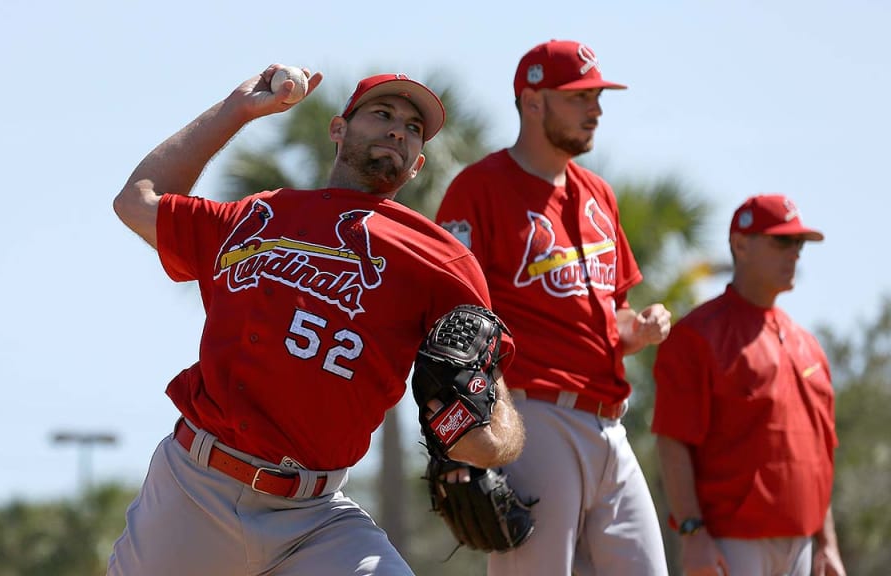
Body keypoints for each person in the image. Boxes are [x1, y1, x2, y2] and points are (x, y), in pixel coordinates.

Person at [107, 65, 526, 576]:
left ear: (416, 165)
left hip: (315, 517)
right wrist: (237, 109)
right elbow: (136, 201)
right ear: (338, 129)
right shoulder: (257, 216)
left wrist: (493, 440)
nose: (398, 129)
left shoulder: (441, 261)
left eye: (413, 128)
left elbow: (487, 408)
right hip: (195, 490)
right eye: (382, 113)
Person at [435, 40, 671, 575]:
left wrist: (642, 326)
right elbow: (448, 322)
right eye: (580, 96)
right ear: (534, 100)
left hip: (611, 423)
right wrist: (457, 437)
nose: (596, 110)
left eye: (597, 97)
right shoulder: (480, 189)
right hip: (533, 416)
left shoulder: (598, 194)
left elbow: (613, 321)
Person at [652, 194, 846, 576]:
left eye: (799, 244)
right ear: (740, 244)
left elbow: (819, 455)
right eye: (781, 241)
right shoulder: (697, 335)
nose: (795, 254)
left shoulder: (808, 344)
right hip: (730, 543)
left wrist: (828, 544)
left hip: (802, 546)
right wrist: (692, 533)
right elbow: (672, 441)